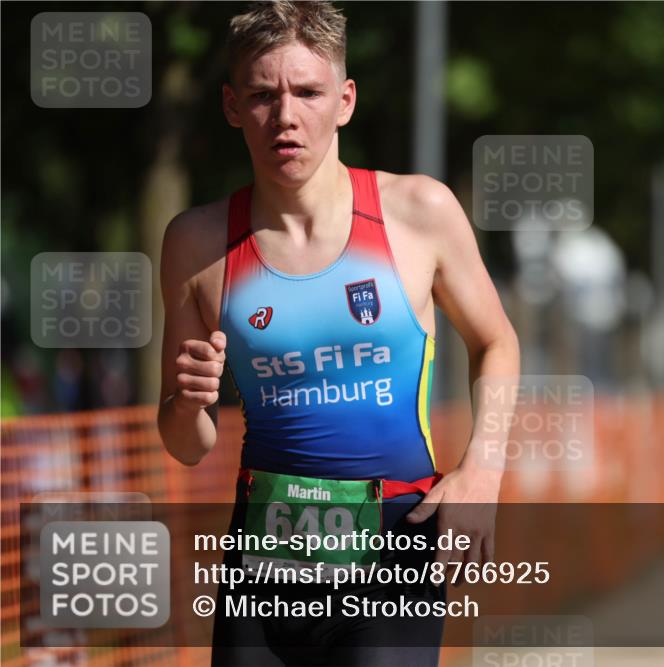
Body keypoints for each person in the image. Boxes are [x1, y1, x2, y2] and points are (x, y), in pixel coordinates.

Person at [156, 2, 519, 665]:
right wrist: (185, 403)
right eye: (263, 95)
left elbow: (497, 342)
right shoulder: (197, 242)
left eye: (308, 92)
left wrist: (483, 471)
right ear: (233, 106)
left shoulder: (418, 212)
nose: (285, 116)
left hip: (395, 544)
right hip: (262, 555)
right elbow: (185, 442)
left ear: (345, 100)